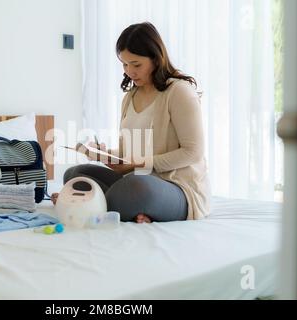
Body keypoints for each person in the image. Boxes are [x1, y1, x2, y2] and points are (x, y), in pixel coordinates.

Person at [52, 22, 210, 223]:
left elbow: (192, 152)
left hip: (177, 187)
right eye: (124, 64)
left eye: (136, 65)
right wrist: (102, 153)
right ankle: (103, 204)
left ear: (156, 58)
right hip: (137, 179)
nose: (129, 72)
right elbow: (128, 154)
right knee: (75, 174)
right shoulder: (130, 97)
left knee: (135, 187)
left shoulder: (179, 92)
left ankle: (80, 204)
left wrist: (142, 163)